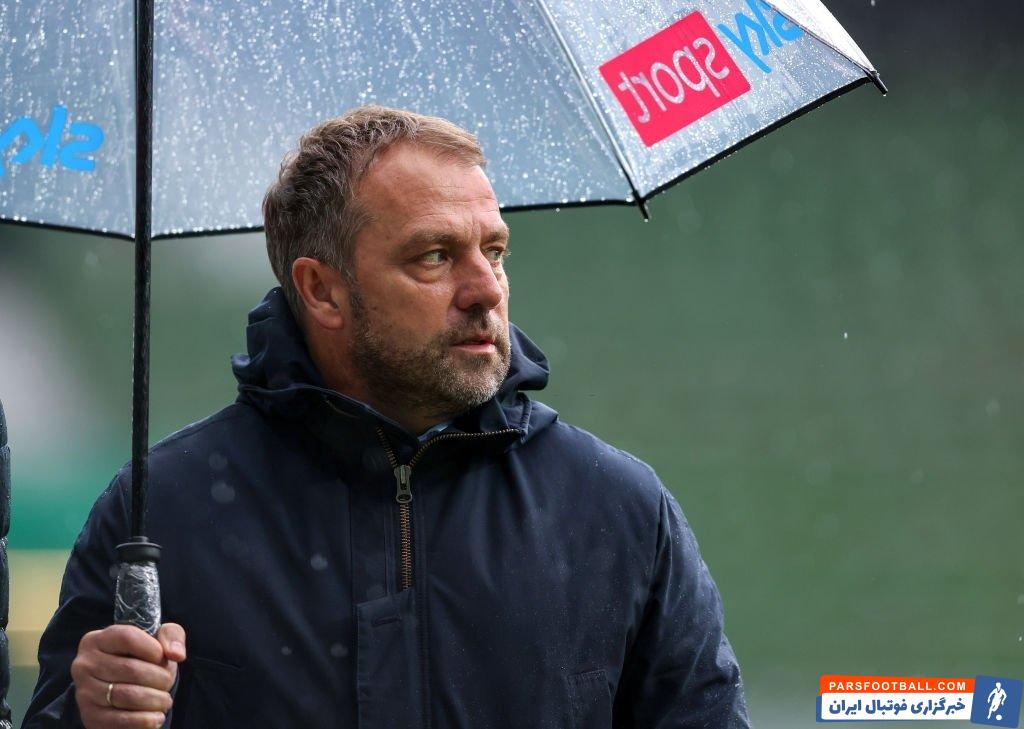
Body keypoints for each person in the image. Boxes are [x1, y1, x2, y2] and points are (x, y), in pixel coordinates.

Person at [22, 105, 750, 728]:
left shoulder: (618, 510)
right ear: (322, 290)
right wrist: (91, 716)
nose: (485, 290)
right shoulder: (160, 513)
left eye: (494, 251)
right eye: (434, 256)